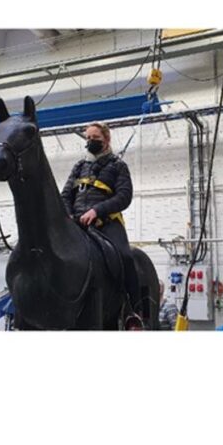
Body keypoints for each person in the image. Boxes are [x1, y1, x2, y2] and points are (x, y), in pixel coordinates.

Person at [60, 122, 140, 312]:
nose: (90, 142)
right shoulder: (79, 166)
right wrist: (69, 215)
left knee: (126, 257)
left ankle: (136, 312)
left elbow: (124, 196)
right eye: (88, 138)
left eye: (95, 138)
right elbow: (65, 196)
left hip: (107, 223)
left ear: (106, 139)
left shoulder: (118, 165)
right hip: (77, 225)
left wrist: (97, 210)